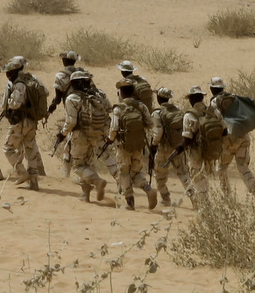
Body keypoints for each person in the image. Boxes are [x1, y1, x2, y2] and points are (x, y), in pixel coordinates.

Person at [57, 70, 112, 204]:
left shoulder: (72, 98)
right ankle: (85, 195)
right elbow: (109, 110)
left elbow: (71, 121)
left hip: (79, 135)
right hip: (96, 134)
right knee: (88, 164)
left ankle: (97, 181)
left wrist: (62, 134)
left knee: (78, 166)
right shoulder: (100, 95)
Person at [207, 77, 255, 195]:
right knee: (242, 166)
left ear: (211, 88)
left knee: (221, 168)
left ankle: (227, 197)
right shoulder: (235, 98)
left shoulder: (214, 102)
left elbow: (219, 120)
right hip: (244, 135)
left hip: (229, 138)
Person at [108, 81, 156, 210]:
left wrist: (110, 139)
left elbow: (114, 128)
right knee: (135, 172)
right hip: (139, 145)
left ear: (122, 93)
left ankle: (130, 203)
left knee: (124, 173)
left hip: (123, 146)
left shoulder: (118, 108)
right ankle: (147, 188)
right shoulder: (141, 106)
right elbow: (150, 123)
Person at [0, 56, 43, 190]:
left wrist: (9, 106)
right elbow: (44, 91)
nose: (7, 75)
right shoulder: (32, 79)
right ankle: (34, 182)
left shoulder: (19, 84)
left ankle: (22, 173)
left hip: (20, 122)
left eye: (9, 72)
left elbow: (16, 104)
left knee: (8, 148)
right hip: (32, 121)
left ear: (14, 72)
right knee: (30, 150)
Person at [150, 87, 198, 210]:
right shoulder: (177, 110)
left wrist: (154, 145)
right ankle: (195, 198)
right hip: (178, 147)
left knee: (160, 175)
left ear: (159, 98)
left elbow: (158, 132)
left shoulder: (157, 113)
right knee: (183, 174)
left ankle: (165, 199)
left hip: (163, 149)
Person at [49, 51, 83, 178]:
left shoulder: (60, 75)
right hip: (86, 111)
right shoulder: (82, 73)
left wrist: (51, 108)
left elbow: (58, 98)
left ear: (64, 61)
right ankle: (66, 175)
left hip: (72, 110)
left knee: (69, 143)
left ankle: (67, 175)